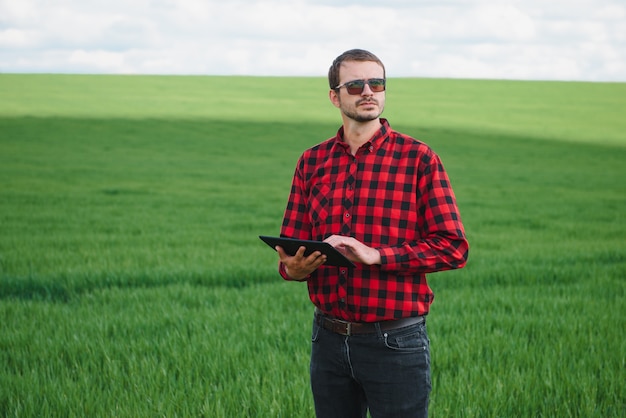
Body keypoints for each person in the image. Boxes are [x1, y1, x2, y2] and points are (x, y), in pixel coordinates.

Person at [275, 49, 469, 418]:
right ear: (335, 96)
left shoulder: (418, 158)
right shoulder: (311, 162)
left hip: (395, 342)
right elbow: (292, 250)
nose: (368, 91)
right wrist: (292, 270)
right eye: (355, 85)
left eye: (376, 83)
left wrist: (378, 255)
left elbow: (453, 248)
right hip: (327, 339)